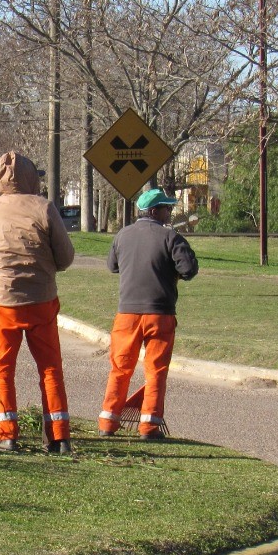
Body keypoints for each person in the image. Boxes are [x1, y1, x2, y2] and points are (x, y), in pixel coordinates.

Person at [0, 151, 75, 453]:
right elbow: (66, 256)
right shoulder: (43, 208)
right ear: (31, 178)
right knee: (49, 369)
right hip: (42, 300)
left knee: (3, 369)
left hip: (3, 301)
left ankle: (6, 434)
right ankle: (58, 437)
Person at [98, 188, 198, 441]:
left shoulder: (123, 235)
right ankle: (149, 427)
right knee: (155, 371)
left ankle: (108, 422)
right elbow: (188, 270)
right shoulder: (170, 237)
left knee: (120, 369)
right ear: (154, 211)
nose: (169, 212)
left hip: (127, 314)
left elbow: (112, 266)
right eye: (166, 208)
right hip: (160, 314)